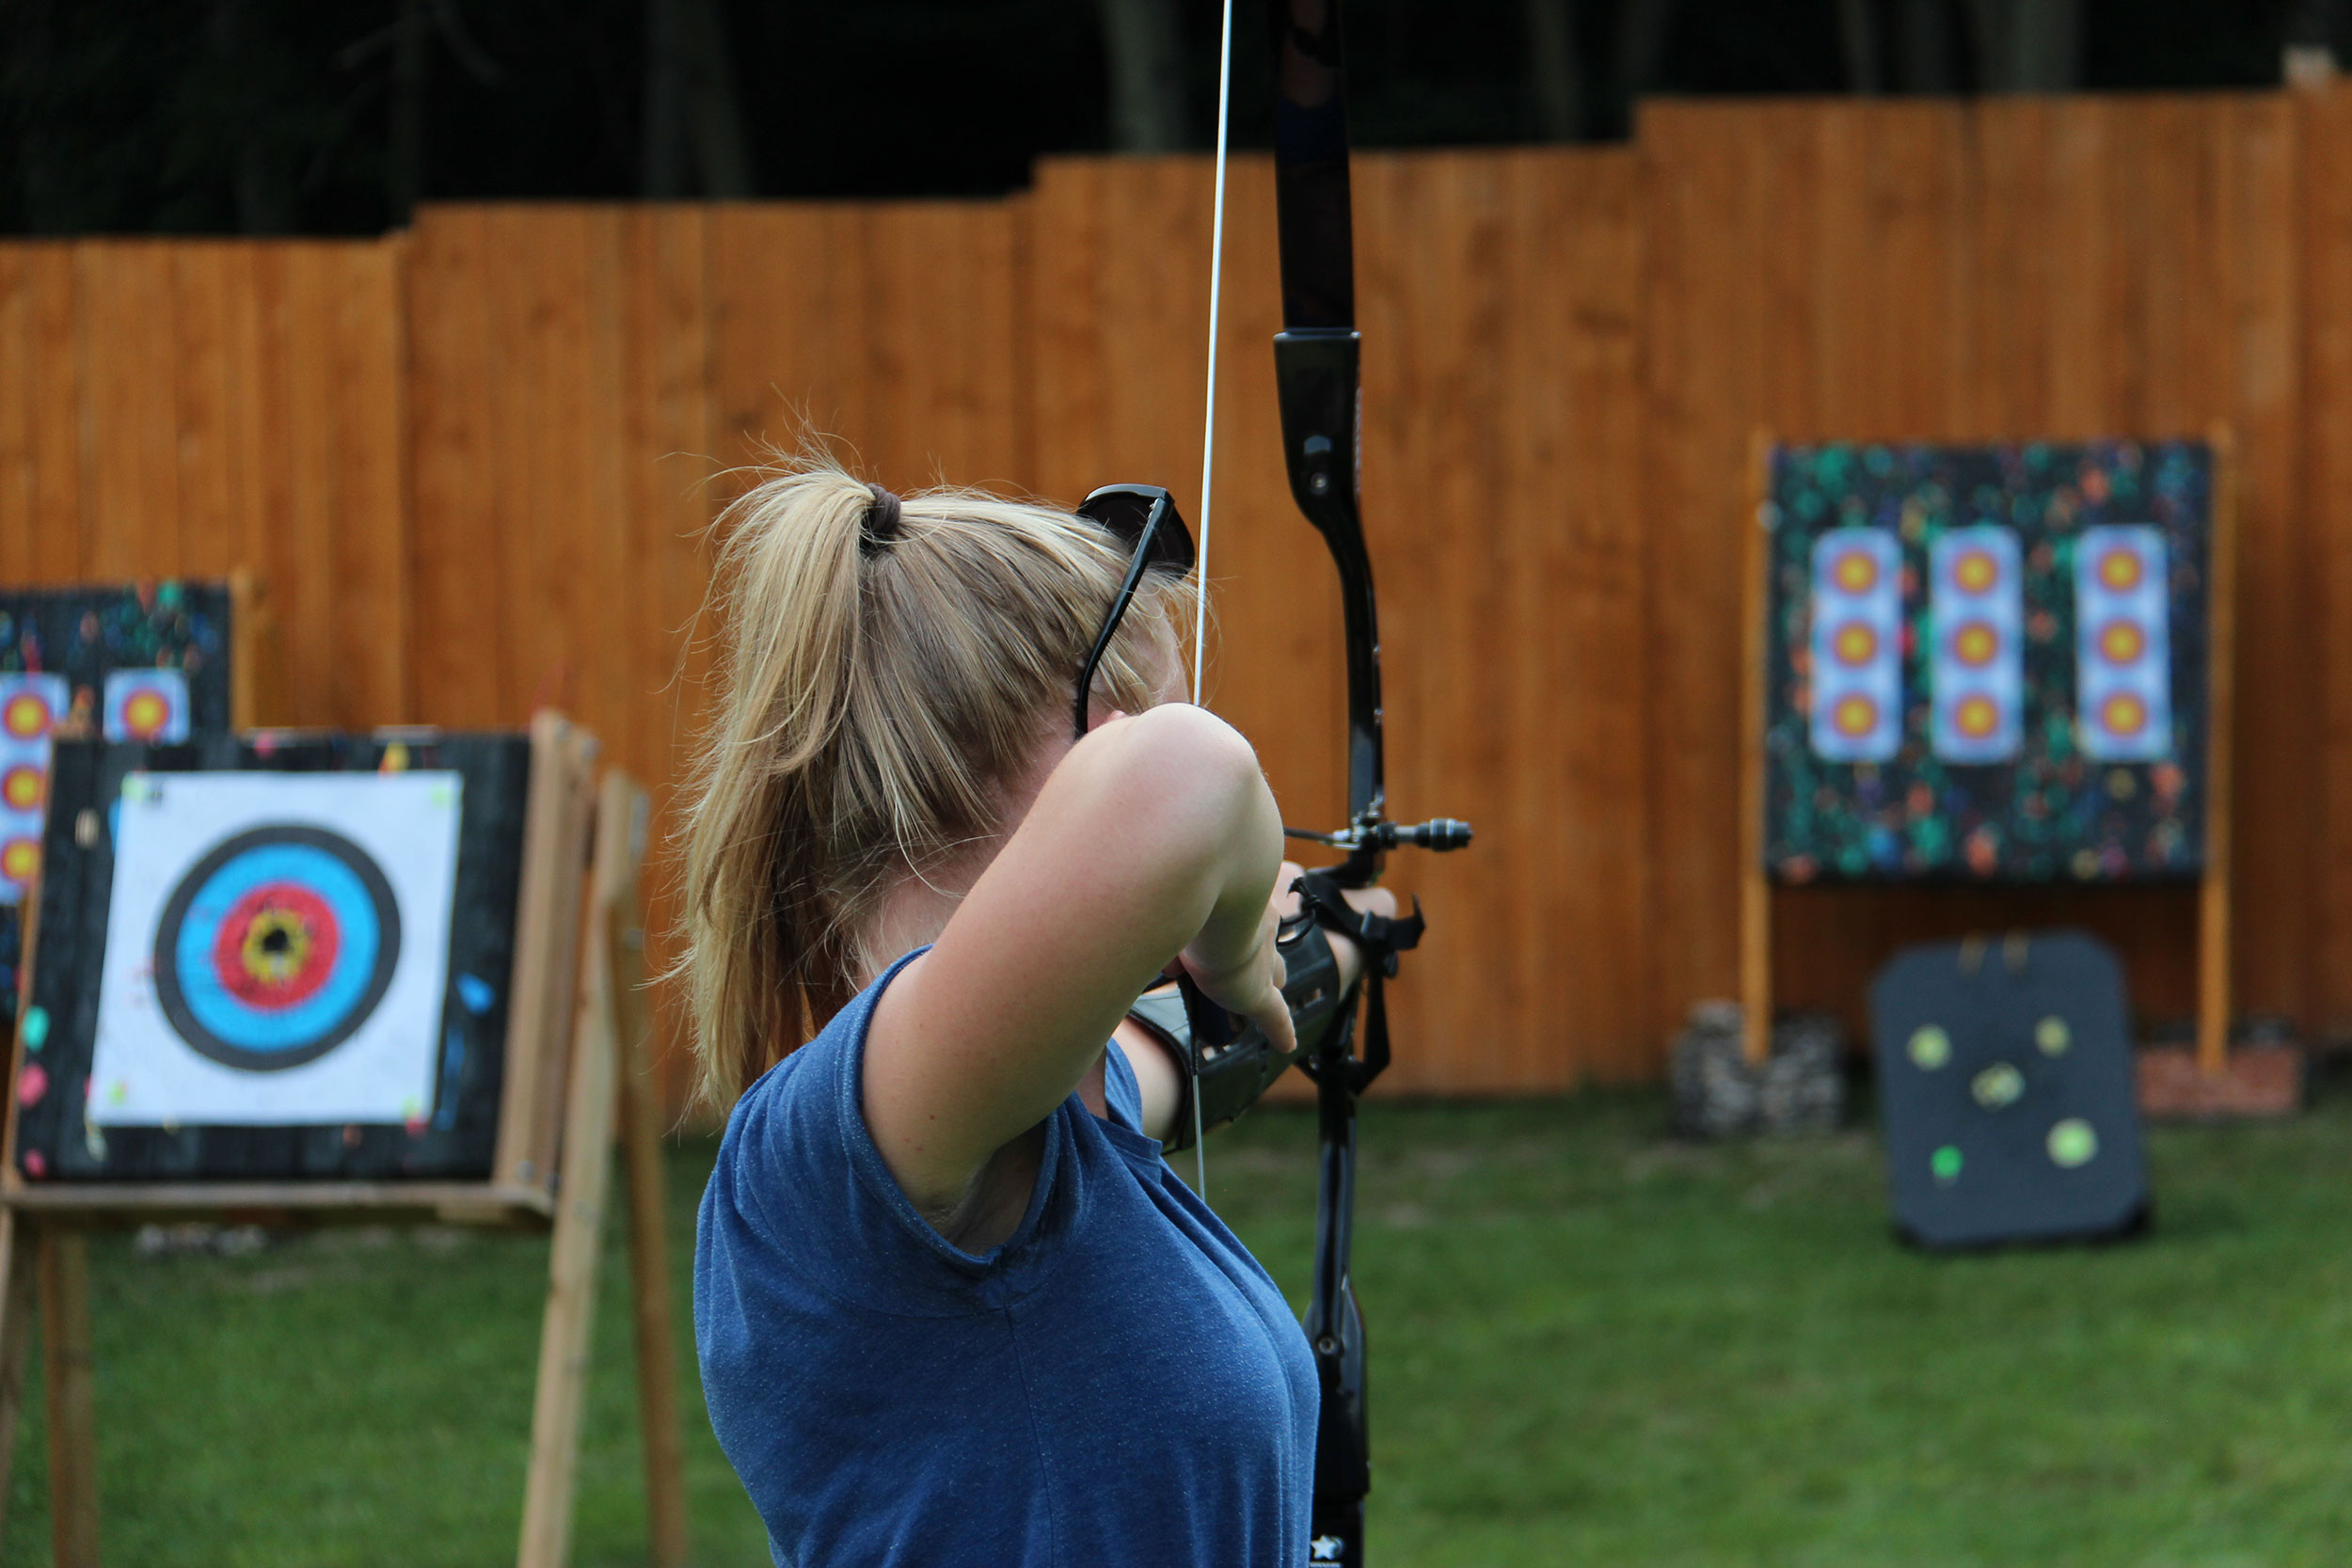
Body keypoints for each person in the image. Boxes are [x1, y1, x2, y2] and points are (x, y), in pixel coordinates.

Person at [682, 457, 1394, 1566]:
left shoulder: (1043, 1114)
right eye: (1149, 707)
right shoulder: (844, 1149)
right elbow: (1191, 774)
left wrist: (1341, 938)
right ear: (1099, 736)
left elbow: (1166, 1057)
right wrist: (1235, 951)